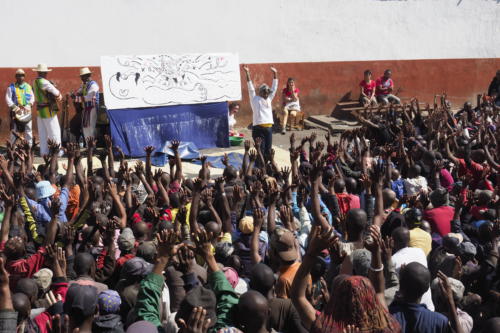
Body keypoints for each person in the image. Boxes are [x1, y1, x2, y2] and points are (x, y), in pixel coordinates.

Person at [243, 65, 278, 161]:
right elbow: (250, 87)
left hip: (268, 129)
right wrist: (247, 73)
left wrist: (275, 74)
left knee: (268, 149)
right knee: (260, 149)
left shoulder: (269, 99)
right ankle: (260, 166)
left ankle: (266, 165)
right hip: (258, 128)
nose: (266, 94)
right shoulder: (255, 99)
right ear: (260, 92)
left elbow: (274, 88)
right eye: (264, 92)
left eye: (267, 92)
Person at [32, 63, 62, 156]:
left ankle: (44, 152)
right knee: (54, 131)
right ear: (45, 73)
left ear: (38, 72)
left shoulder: (34, 82)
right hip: (48, 111)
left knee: (42, 133)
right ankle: (58, 152)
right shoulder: (44, 82)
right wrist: (59, 95)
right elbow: (56, 92)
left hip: (39, 111)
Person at [5, 69, 35, 145]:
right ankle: (13, 147)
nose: (20, 77)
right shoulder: (11, 87)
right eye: (18, 75)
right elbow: (7, 98)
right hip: (15, 111)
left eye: (22, 75)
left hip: (27, 111)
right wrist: (15, 108)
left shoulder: (28, 86)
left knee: (28, 129)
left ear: (24, 76)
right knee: (14, 130)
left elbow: (32, 97)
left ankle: (29, 146)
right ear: (16, 76)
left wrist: (29, 105)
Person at [75, 67, 100, 140]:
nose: (81, 78)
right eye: (81, 77)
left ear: (88, 75)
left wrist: (77, 99)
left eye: (83, 76)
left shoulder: (93, 85)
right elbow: (78, 92)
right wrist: (75, 94)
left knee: (91, 126)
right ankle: (89, 145)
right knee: (85, 127)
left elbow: (89, 97)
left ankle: (92, 145)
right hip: (86, 108)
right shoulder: (84, 85)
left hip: (92, 108)